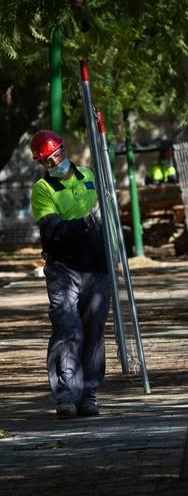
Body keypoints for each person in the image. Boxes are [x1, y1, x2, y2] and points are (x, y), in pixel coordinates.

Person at [30, 130, 110, 418]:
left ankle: (88, 393)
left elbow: (110, 214)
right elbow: (54, 230)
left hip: (96, 266)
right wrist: (87, 222)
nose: (56, 162)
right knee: (68, 328)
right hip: (64, 268)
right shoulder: (43, 190)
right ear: (43, 164)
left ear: (64, 149)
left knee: (93, 330)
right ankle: (66, 396)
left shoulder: (89, 176)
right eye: (49, 161)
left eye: (58, 155)